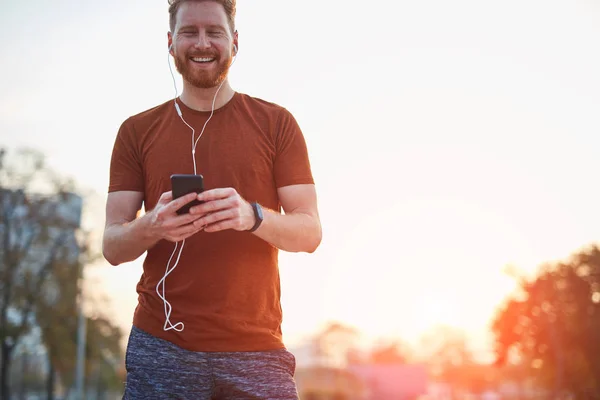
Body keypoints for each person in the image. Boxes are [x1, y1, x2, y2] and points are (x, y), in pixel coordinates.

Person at [102, 0, 322, 398]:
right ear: (170, 43)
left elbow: (309, 233)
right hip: (162, 347)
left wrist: (251, 216)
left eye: (214, 32)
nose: (202, 42)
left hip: (256, 350)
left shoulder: (277, 124)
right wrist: (153, 224)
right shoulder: (136, 131)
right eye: (189, 32)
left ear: (234, 42)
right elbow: (112, 246)